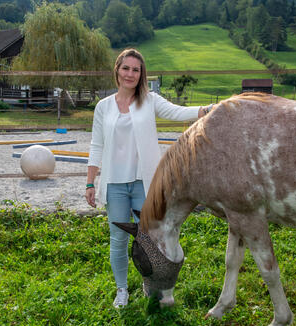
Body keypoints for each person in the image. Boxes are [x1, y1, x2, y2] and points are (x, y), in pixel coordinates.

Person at [85, 48, 213, 308]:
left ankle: (154, 285)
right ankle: (121, 290)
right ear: (117, 70)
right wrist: (90, 182)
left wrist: (206, 109)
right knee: (118, 239)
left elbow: (177, 112)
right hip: (115, 186)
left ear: (141, 74)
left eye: (136, 70)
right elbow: (96, 145)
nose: (130, 74)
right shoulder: (103, 107)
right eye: (126, 68)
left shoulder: (149, 100)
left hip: (146, 185)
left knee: (154, 238)